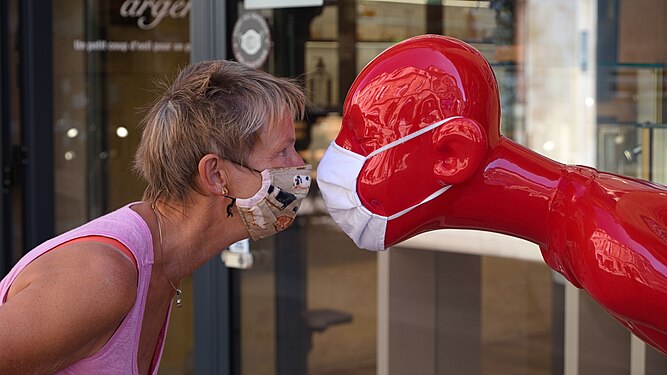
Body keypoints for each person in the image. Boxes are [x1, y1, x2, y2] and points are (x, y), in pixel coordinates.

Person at [316, 34, 667, 355]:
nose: (338, 158)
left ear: (452, 155)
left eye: (360, 141)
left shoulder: (605, 247)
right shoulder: (592, 217)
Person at [0, 60, 312, 374]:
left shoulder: (156, 267)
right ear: (215, 175)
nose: (299, 165)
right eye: (284, 150)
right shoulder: (101, 278)